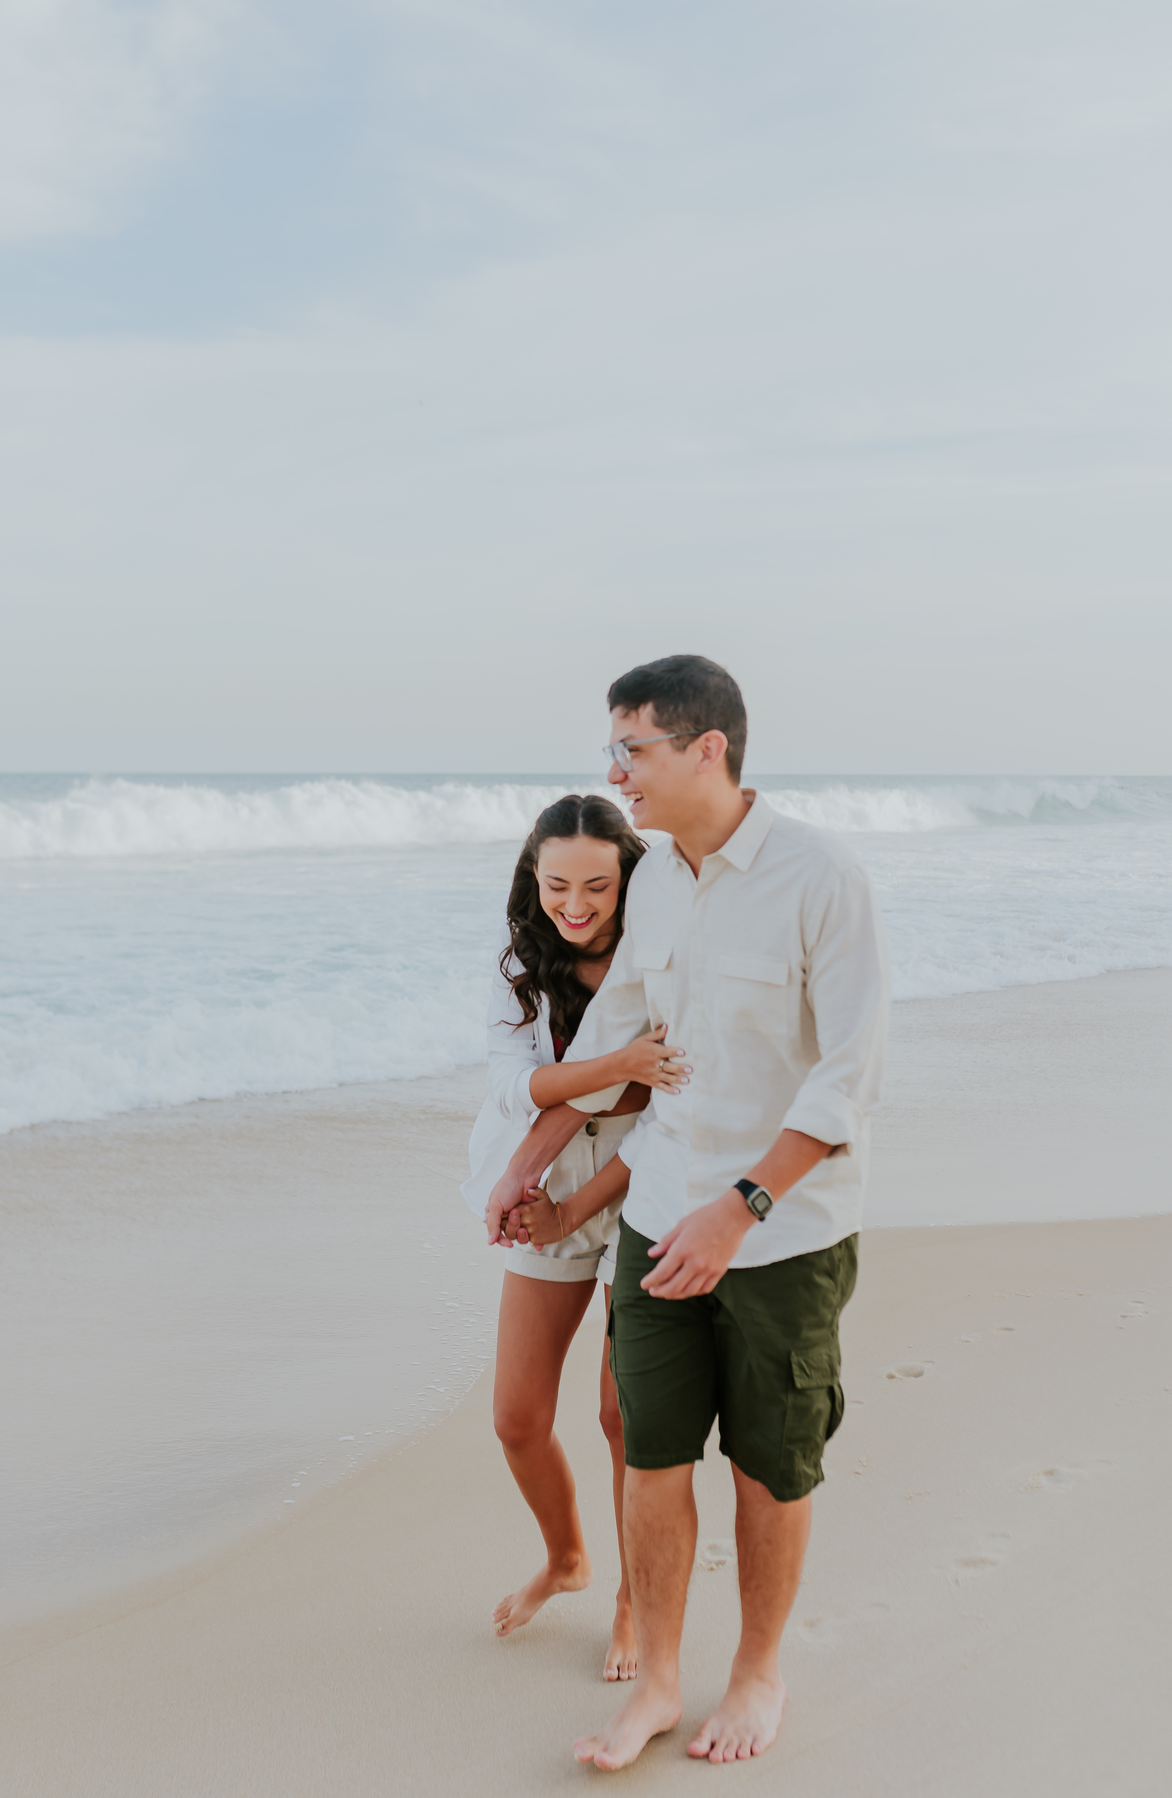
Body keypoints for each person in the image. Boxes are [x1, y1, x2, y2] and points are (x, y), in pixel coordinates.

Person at [486, 655, 890, 1770]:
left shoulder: (821, 876)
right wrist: (529, 1166)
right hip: (658, 1215)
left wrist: (745, 1208)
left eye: (634, 749)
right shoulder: (655, 877)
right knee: (652, 1452)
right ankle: (658, 1680)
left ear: (706, 748)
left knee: (769, 1459)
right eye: (613, 749)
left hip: (785, 1234)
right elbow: (618, 1053)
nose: (617, 772)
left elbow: (846, 1077)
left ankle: (756, 1672)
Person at [462, 793, 692, 1680]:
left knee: (620, 1415)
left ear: (629, 880)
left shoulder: (663, 960)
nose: (577, 905)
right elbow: (520, 1089)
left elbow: (669, 1105)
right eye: (557, 884)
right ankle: (566, 1559)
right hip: (545, 1183)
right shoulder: (522, 958)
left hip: (645, 1185)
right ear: (534, 878)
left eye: (598, 885)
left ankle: (636, 1598)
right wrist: (623, 1069)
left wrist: (623, 1086)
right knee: (518, 1418)